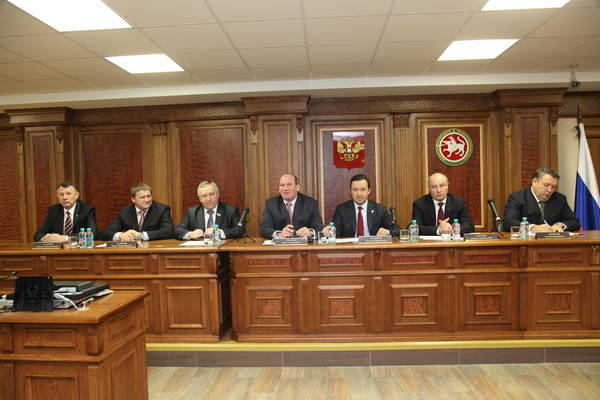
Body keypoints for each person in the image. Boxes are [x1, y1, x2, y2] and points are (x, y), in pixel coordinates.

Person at [503, 168, 580, 233]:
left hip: (552, 242)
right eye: (546, 185)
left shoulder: (559, 199)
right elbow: (509, 222)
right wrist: (532, 228)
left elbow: (574, 222)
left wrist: (560, 225)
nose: (550, 190)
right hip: (527, 243)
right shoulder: (517, 198)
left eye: (553, 187)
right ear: (534, 182)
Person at [327, 174, 399, 237]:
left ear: (369, 191)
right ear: (350, 191)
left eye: (363, 189)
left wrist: (387, 231)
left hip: (372, 247)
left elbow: (396, 229)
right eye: (355, 190)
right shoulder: (341, 210)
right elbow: (336, 231)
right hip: (350, 247)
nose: (359, 194)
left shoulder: (379, 209)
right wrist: (330, 231)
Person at [98, 183, 173, 241]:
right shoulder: (125, 212)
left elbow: (169, 231)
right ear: (133, 199)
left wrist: (141, 235)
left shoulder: (161, 209)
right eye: (142, 197)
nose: (147, 200)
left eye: (149, 196)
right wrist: (121, 235)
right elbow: (106, 232)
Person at [260, 173, 324, 239]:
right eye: (282, 185)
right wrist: (279, 234)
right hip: (281, 244)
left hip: (304, 244)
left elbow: (319, 227)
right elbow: (265, 228)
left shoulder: (310, 204)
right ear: (279, 189)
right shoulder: (271, 204)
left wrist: (310, 232)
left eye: (289, 184)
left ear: (297, 187)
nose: (285, 188)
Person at [174, 181, 243, 240]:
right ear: (200, 199)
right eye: (204, 196)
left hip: (222, 250)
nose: (208, 199)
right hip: (200, 250)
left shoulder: (230, 210)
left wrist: (219, 232)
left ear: (218, 195)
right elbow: (178, 230)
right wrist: (190, 234)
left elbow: (239, 230)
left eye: (211, 194)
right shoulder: (192, 212)